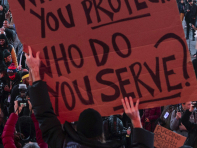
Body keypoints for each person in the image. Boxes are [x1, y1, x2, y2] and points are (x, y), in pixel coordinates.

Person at [25, 47, 154, 148]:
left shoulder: (63, 144)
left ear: (77, 129)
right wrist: (136, 120)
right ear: (102, 133)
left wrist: (36, 72)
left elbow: (45, 115)